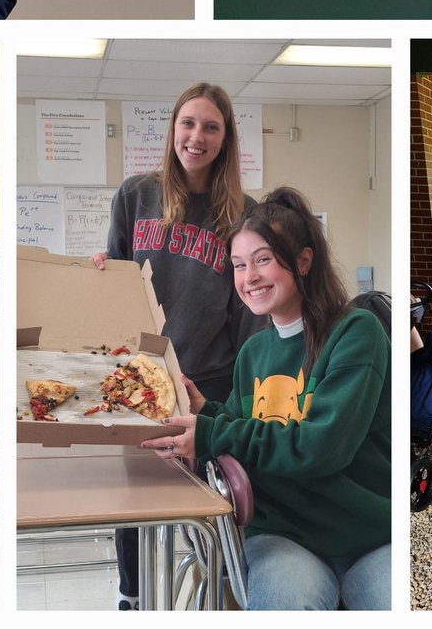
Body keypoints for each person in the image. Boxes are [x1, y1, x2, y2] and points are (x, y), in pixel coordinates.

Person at [141, 188, 390, 610]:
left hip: (368, 534)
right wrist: (206, 411)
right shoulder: (254, 350)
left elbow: (321, 449)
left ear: (304, 261)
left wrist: (214, 431)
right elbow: (244, 426)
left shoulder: (356, 332)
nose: (248, 277)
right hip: (283, 535)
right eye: (238, 265)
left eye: (263, 260)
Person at [91, 81, 262, 610]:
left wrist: (241, 398)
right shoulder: (135, 195)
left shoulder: (243, 213)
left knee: (211, 506)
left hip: (206, 381)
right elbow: (116, 282)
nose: (197, 136)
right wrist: (97, 274)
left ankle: (224, 596)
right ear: (172, 131)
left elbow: (249, 308)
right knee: (135, 503)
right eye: (188, 123)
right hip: (140, 378)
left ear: (226, 137)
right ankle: (132, 600)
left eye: (211, 126)